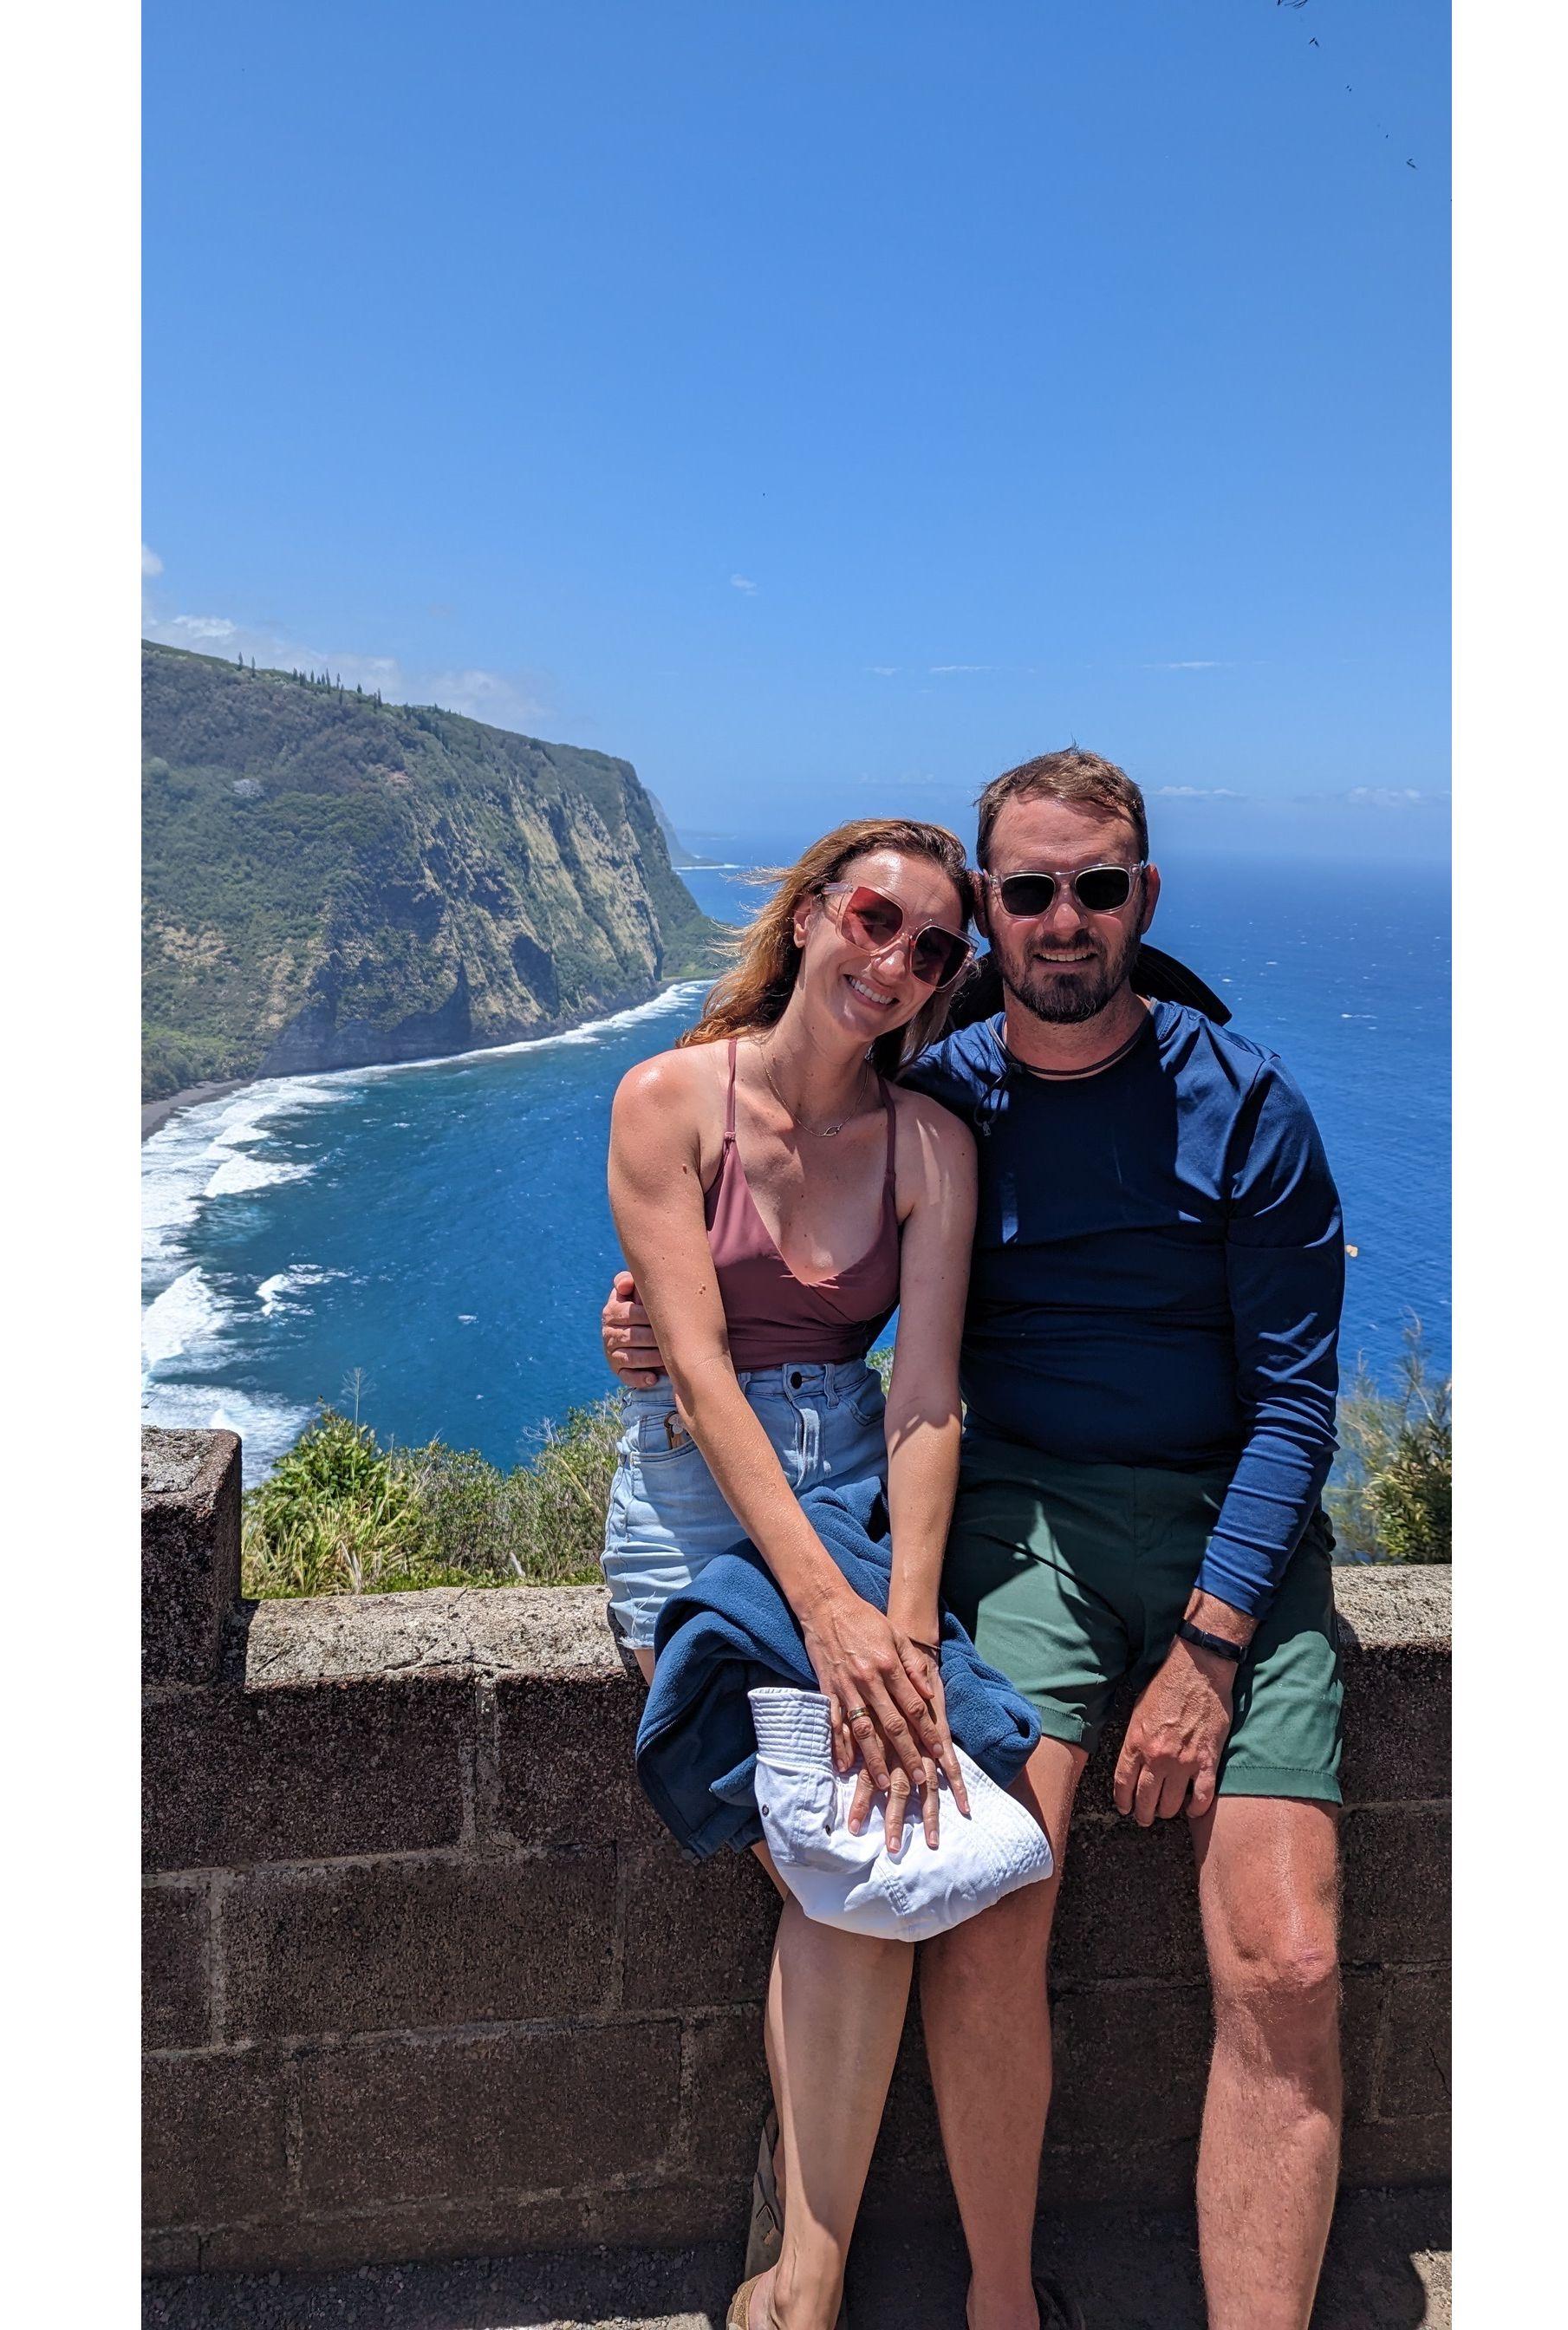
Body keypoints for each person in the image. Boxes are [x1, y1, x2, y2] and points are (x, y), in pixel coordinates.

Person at [605, 752, 1349, 2330]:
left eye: (1098, 887)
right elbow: (770, 1323)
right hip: (1002, 1524)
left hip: (1214, 1532)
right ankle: (984, 2302)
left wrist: (1208, 1644)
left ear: (1145, 900)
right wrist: (649, 1325)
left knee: (1286, 1959)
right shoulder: (932, 1100)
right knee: (966, 1891)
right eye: (1026, 894)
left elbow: (1289, 1405)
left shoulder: (1231, 1106)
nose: (1062, 920)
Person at [602, 817, 982, 2330]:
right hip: (705, 1504)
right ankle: (806, 2282)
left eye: (932, 948)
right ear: (815, 914)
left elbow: (927, 1398)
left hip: (855, 1492)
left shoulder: (929, 1148)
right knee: (849, 1854)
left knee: (874, 1831)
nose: (895, 962)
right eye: (875, 920)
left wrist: (903, 1625)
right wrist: (824, 1611)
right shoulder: (669, 1100)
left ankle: (797, 2283)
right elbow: (695, 1373)